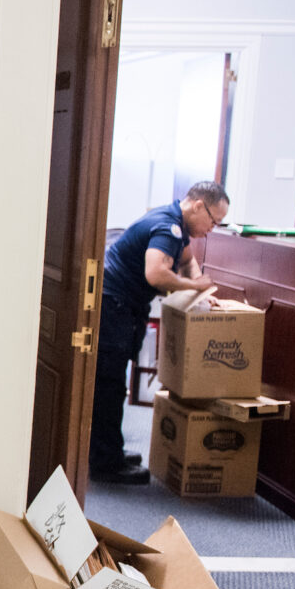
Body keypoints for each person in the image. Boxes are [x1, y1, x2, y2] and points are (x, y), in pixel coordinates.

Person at [90, 180, 231, 484]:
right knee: (110, 385)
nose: (212, 229)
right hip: (115, 306)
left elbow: (186, 258)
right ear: (197, 206)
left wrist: (199, 285)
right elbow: (155, 274)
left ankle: (106, 449)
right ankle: (105, 462)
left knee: (111, 384)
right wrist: (196, 286)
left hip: (120, 304)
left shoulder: (172, 219)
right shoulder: (169, 228)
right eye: (213, 220)